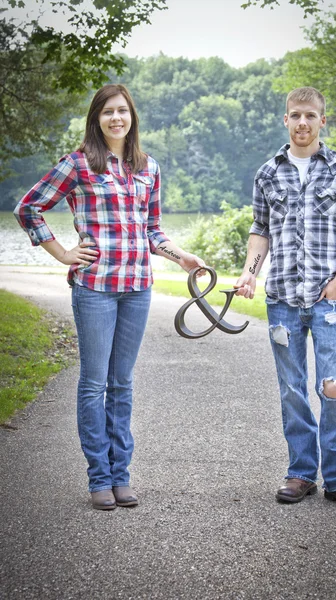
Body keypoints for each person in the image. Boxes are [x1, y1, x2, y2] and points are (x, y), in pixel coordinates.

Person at [14, 83, 205, 511]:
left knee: (122, 384)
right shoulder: (79, 165)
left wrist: (182, 257)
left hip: (138, 288)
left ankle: (122, 477)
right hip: (95, 288)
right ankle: (99, 477)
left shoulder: (148, 167)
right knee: (94, 384)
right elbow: (29, 208)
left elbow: (152, 230)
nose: (116, 118)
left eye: (123, 111)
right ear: (96, 119)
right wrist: (63, 251)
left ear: (131, 116)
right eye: (108, 112)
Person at [235, 87, 336, 511]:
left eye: (310, 116)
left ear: (322, 121)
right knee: (292, 390)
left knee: (333, 388)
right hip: (281, 298)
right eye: (295, 115)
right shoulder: (267, 173)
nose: (302, 123)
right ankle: (300, 473)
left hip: (328, 298)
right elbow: (261, 230)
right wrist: (249, 274)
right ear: (285, 119)